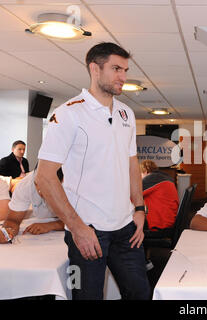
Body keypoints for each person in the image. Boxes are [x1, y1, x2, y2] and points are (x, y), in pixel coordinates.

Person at [34, 42, 150, 300]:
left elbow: (132, 164)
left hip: (126, 228)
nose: (123, 76)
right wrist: (76, 228)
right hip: (86, 231)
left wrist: (140, 209)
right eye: (116, 69)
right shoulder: (67, 114)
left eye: (125, 70)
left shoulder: (126, 114)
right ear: (94, 69)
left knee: (141, 294)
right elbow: (44, 176)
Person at [0, 169, 64, 244]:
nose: (40, 192)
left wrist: (53, 225)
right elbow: (13, 220)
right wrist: (7, 232)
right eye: (37, 184)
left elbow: (80, 220)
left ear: (62, 182)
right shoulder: (25, 185)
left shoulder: (75, 186)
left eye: (47, 187)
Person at [140, 160, 179, 231]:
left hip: (161, 224)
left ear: (145, 171)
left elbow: (132, 194)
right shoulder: (164, 177)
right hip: (170, 220)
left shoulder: (151, 179)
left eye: (140, 174)